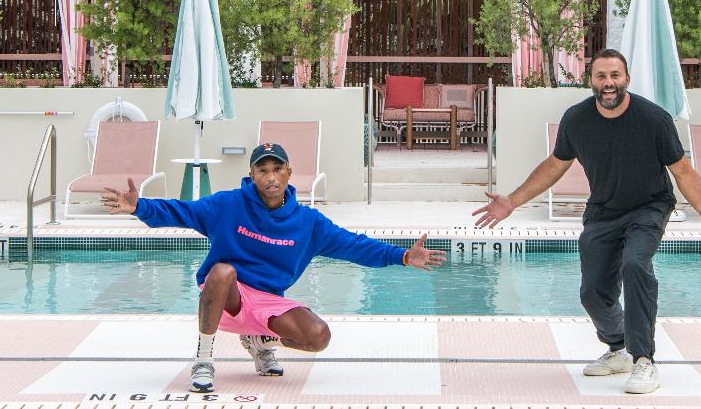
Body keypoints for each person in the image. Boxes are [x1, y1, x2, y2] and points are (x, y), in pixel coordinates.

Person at [472, 49, 701, 395]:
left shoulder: (653, 119)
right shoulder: (577, 119)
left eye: (615, 76)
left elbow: (682, 170)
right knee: (593, 293)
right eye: (601, 76)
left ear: (626, 79)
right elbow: (555, 164)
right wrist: (513, 201)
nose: (608, 83)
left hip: (649, 207)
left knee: (635, 265)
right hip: (603, 211)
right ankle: (618, 347)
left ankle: (644, 359)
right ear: (591, 81)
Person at [102, 142, 446, 393]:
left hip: (267, 304)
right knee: (222, 272)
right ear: (251, 175)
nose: (270, 176)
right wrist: (140, 207)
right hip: (226, 297)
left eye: (277, 169)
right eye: (262, 170)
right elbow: (181, 211)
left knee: (318, 337)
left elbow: (354, 245)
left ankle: (260, 340)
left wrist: (402, 256)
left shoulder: (308, 223)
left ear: (288, 173)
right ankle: (203, 359)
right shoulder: (227, 205)